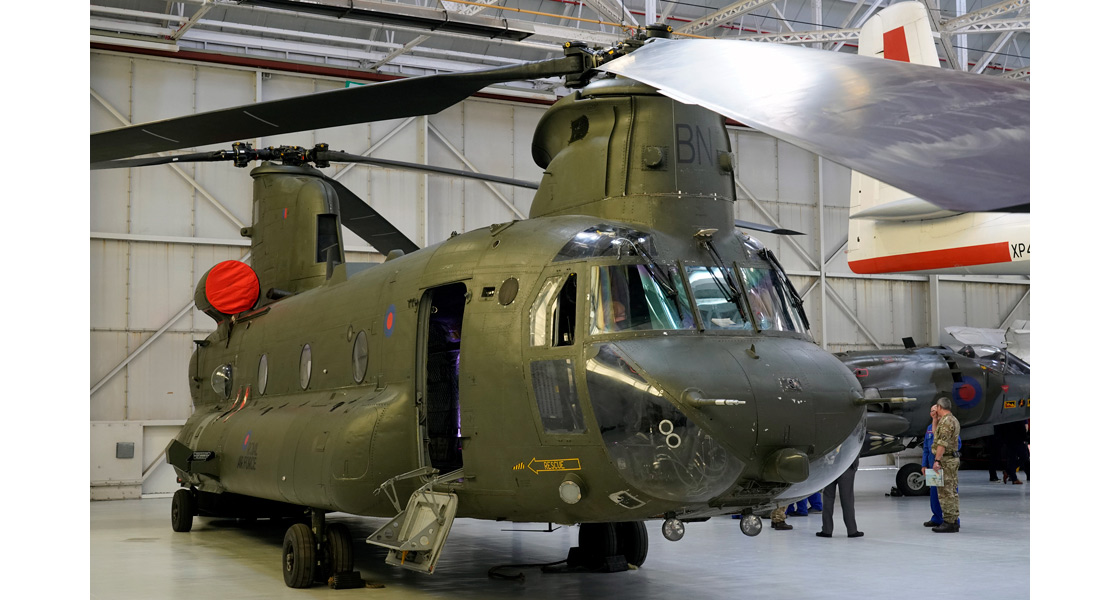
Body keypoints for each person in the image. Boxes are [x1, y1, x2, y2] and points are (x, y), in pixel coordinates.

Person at [922, 404, 960, 528]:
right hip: (933, 465)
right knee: (935, 493)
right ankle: (937, 518)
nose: (933, 413)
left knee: (948, 491)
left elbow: (956, 444)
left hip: (944, 463)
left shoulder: (947, 425)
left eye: (935, 411)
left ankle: (952, 519)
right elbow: (926, 449)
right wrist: (924, 464)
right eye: (931, 411)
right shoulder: (930, 428)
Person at [931, 397, 962, 533]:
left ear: (939, 407)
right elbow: (936, 436)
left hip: (946, 460)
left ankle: (949, 522)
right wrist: (934, 419)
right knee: (952, 491)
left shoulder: (946, 422)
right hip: (951, 459)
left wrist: (937, 461)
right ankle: (953, 520)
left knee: (945, 492)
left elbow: (941, 444)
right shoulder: (951, 419)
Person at [816, 457, 862, 538]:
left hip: (829, 466)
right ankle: (852, 530)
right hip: (847, 464)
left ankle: (827, 530)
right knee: (847, 498)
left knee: (828, 499)